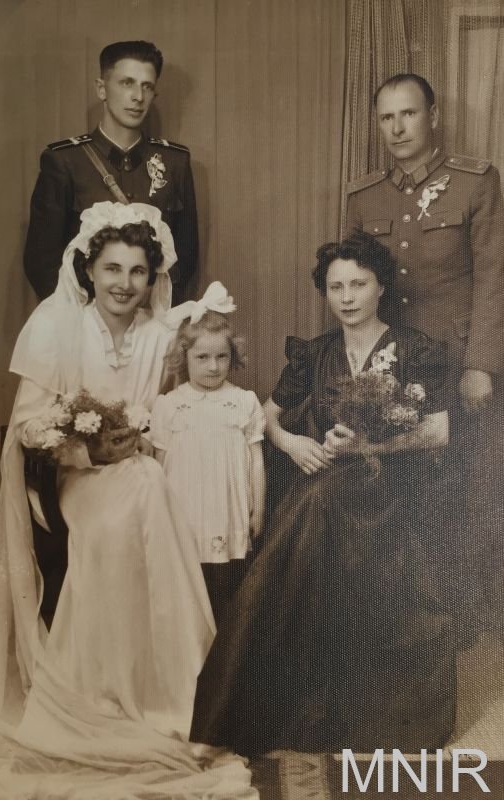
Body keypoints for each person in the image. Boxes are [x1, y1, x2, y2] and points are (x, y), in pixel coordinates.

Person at [0, 202, 255, 798]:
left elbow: (187, 400)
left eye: (138, 271)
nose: (124, 283)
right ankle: (101, 688)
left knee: (150, 487)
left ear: (151, 277)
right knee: (121, 514)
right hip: (72, 477)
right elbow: (28, 427)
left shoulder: (160, 335)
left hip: (139, 469)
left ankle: (167, 691)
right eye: (112, 268)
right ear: (89, 270)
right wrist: (82, 446)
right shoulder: (54, 328)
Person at [191, 232, 455, 756]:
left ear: (382, 286)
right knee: (317, 504)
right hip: (326, 490)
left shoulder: (415, 349)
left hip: (394, 496)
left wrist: (371, 445)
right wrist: (294, 444)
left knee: (320, 506)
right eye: (336, 287)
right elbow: (266, 416)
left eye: (359, 284)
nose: (347, 297)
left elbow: (442, 430)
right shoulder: (315, 354)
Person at [346, 73, 504, 638]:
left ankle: (471, 619)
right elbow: (354, 283)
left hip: (459, 365)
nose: (397, 128)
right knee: (400, 491)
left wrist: (481, 363)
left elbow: (494, 279)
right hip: (394, 369)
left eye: (408, 114)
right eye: (387, 117)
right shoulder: (364, 196)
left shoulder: (476, 182)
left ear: (432, 116)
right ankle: (413, 617)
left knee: (469, 489)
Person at [24, 40, 198, 305]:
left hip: (151, 319)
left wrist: (152, 308)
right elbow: (41, 262)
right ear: (101, 89)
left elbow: (186, 256)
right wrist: (82, 316)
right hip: (82, 318)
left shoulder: (174, 162)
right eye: (127, 83)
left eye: (147, 86)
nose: (138, 96)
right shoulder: (64, 161)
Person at [151, 286, 266, 624]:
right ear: (184, 358)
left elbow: (256, 462)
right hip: (184, 512)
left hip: (227, 511)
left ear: (233, 356)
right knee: (184, 591)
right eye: (202, 357)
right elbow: (159, 466)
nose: (214, 367)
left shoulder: (243, 401)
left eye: (222, 357)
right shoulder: (170, 405)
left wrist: (258, 509)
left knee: (226, 593)